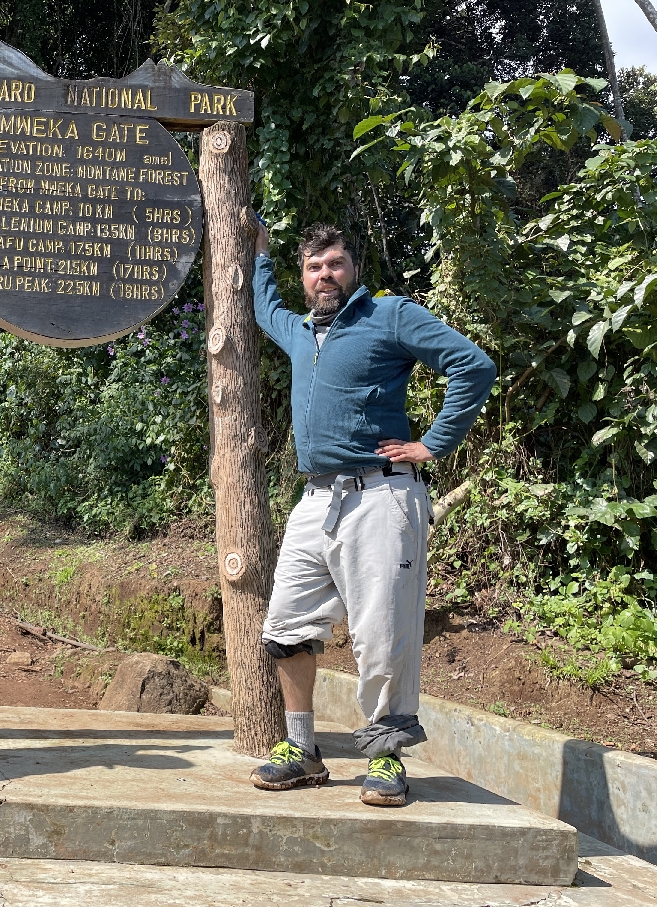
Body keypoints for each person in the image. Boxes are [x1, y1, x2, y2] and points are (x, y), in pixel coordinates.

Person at [248, 222, 495, 807]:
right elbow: (264, 310)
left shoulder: (389, 315)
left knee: (383, 633)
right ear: (304, 277)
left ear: (353, 268)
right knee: (285, 626)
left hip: (381, 497)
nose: (325, 275)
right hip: (315, 501)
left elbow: (473, 366)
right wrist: (259, 254)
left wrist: (433, 443)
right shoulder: (300, 331)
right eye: (314, 267)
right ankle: (302, 750)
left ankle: (386, 756)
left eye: (334, 263)